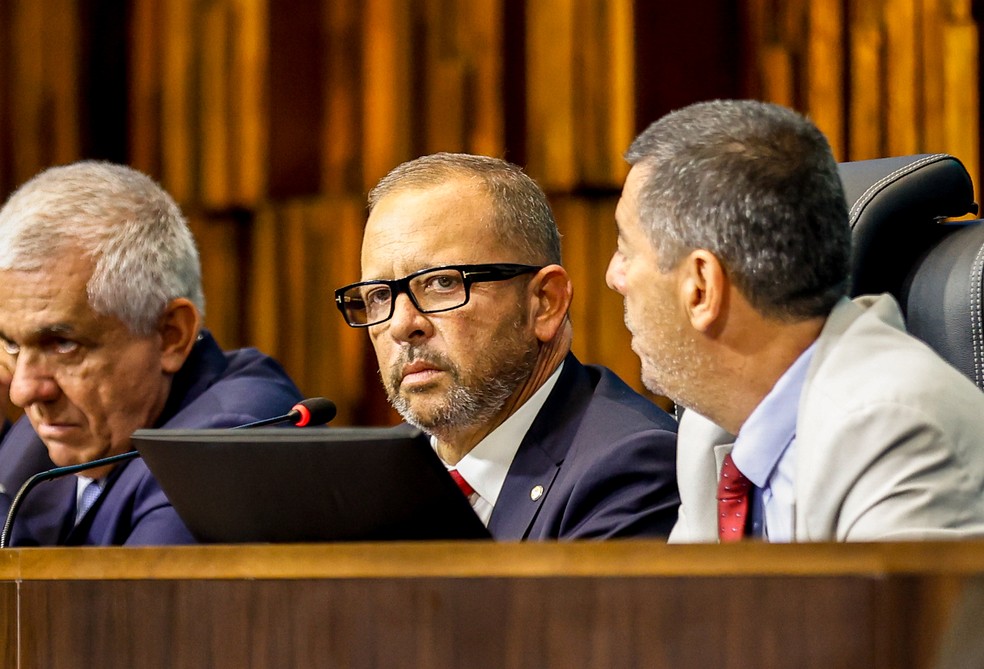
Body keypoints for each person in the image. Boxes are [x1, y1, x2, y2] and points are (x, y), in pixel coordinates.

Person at [606, 99, 984, 543]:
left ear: (702, 287)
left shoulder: (899, 435)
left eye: (626, 250)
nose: (614, 277)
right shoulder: (707, 429)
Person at [335, 152, 679, 539]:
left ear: (545, 303)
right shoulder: (374, 478)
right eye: (380, 295)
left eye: (442, 283)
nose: (402, 325)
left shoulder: (629, 469)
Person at [0, 161, 303, 546]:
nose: (22, 390)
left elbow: (121, 607)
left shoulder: (231, 444)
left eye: (63, 344)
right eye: (11, 343)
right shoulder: (64, 424)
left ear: (170, 335)